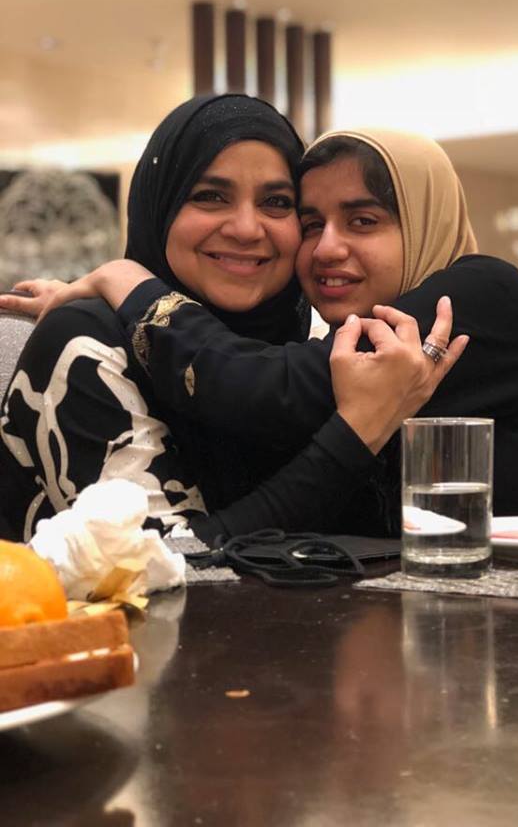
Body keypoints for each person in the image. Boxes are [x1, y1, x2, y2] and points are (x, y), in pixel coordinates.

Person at [5, 128, 518, 539]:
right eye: (310, 223)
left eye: (363, 221)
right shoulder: (327, 344)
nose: (327, 248)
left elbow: (251, 386)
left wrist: (125, 280)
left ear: (424, 221)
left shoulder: (476, 297)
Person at [0, 100, 464, 543]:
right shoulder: (85, 344)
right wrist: (357, 434)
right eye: (210, 196)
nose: (245, 228)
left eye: (276, 202)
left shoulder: (317, 348)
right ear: (160, 207)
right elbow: (163, 566)